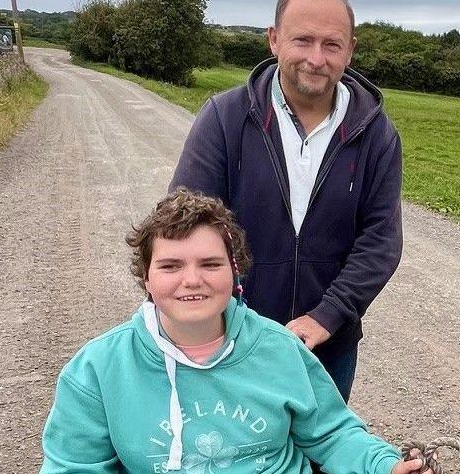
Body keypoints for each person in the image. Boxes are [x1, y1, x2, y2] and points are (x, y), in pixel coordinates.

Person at [40, 189, 424, 474]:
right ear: (146, 277)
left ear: (234, 271)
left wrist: (384, 466)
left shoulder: (281, 350)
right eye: (171, 266)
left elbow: (333, 435)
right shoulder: (96, 369)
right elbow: (73, 466)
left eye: (210, 264)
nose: (192, 280)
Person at [169, 0, 402, 403]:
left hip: (326, 348)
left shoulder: (378, 136)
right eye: (303, 40)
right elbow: (184, 225)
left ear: (350, 51)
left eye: (332, 45)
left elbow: (380, 243)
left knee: (320, 457)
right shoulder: (224, 118)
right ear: (274, 40)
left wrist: (325, 317)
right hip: (230, 340)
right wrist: (225, 316)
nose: (316, 59)